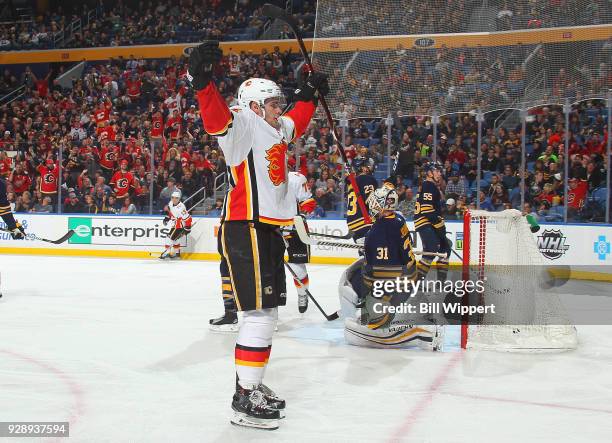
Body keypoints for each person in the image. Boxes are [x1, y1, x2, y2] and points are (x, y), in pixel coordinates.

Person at [189, 40, 327, 429]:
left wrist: (309, 94)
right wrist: (202, 83)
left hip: (266, 228)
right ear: (253, 106)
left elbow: (296, 120)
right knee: (259, 314)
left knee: (266, 313)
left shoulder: (276, 126)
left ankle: (251, 384)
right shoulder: (243, 124)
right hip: (245, 225)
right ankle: (244, 395)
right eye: (272, 102)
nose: (278, 108)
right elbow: (215, 120)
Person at [340, 183, 443, 350]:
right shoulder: (398, 219)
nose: (371, 206)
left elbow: (379, 271)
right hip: (408, 279)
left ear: (382, 204)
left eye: (374, 202)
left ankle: (422, 332)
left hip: (395, 285)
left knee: (362, 327)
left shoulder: (377, 232)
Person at [284, 171, 317, 313]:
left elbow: (308, 201)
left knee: (297, 265)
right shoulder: (260, 176)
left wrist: (301, 214)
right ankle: (271, 302)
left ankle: (302, 294)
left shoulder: (296, 178)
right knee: (269, 267)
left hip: (294, 227)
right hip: (270, 227)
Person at [414, 162, 451, 281]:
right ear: (429, 173)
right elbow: (426, 210)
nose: (440, 173)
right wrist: (439, 226)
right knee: (431, 250)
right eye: (437, 171)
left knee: (445, 249)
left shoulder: (429, 186)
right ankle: (417, 281)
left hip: (427, 223)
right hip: (425, 223)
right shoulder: (429, 185)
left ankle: (440, 283)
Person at [345, 158, 377, 241]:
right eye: (369, 166)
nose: (371, 168)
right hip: (364, 221)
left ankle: (362, 248)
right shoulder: (366, 179)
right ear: (363, 168)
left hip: (352, 222)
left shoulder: (352, 182)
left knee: (366, 252)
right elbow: (370, 199)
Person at [160, 191, 192, 260]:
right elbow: (170, 212)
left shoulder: (181, 207)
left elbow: (188, 218)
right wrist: (167, 217)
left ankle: (167, 253)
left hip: (179, 226)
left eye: (176, 198)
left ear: (179, 199)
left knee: (169, 238)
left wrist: (188, 228)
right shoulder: (170, 203)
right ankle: (177, 254)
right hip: (174, 224)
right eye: (173, 198)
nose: (174, 199)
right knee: (175, 240)